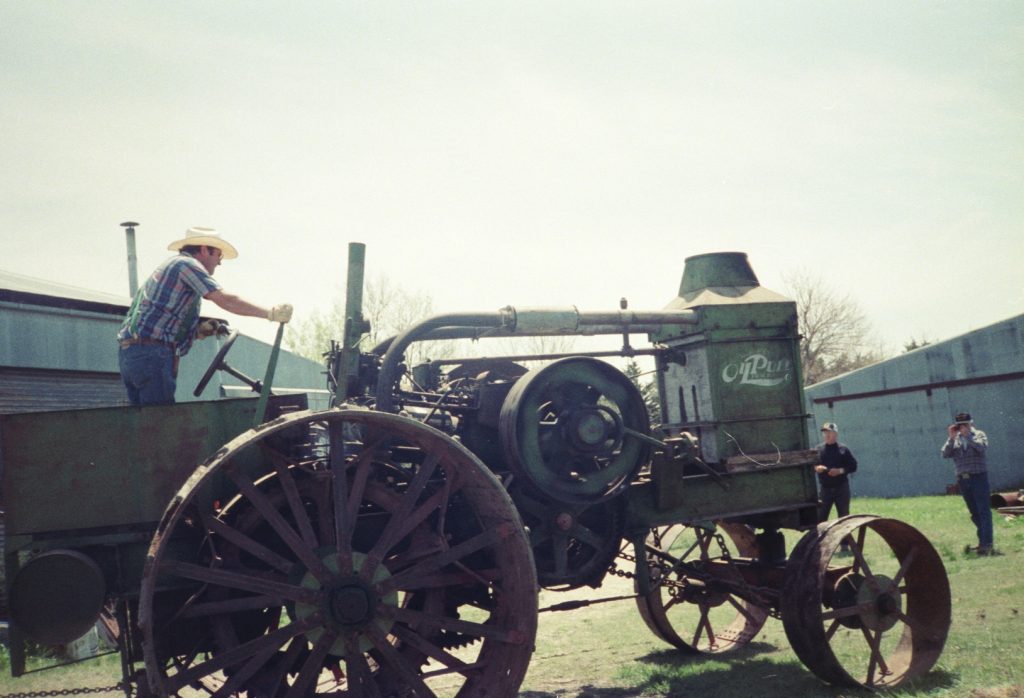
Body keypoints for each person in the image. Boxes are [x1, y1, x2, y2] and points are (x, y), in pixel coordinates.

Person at [117, 226, 293, 406]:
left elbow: (162, 319)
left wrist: (198, 331)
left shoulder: (172, 267)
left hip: (132, 355)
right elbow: (225, 300)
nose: (219, 262)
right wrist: (271, 313)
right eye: (218, 255)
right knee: (161, 424)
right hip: (151, 355)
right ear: (203, 249)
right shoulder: (187, 265)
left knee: (147, 426)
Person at [942, 412, 993, 555]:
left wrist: (968, 437)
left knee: (983, 510)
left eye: (965, 424)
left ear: (971, 423)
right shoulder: (955, 438)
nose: (962, 427)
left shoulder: (979, 434)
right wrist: (951, 438)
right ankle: (982, 541)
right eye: (960, 425)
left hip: (978, 477)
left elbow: (982, 448)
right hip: (963, 480)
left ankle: (987, 543)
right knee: (974, 512)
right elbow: (945, 454)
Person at [814, 422, 858, 553]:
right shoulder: (818, 449)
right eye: (825, 432)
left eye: (829, 432)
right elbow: (812, 464)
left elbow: (854, 466)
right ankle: (819, 545)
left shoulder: (843, 449)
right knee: (821, 517)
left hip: (841, 488)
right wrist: (817, 468)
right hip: (825, 489)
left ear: (835, 434)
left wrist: (840, 471)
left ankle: (845, 545)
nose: (826, 435)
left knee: (843, 517)